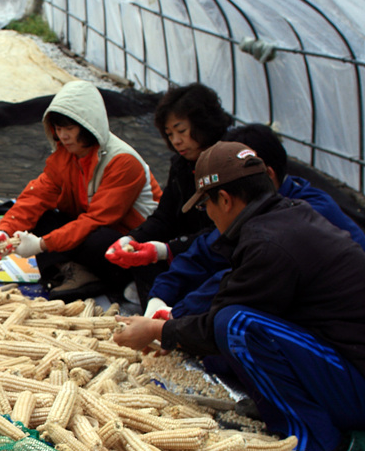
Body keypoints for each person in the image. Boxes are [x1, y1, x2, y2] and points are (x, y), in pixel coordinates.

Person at [114, 142, 365, 451]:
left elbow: (221, 320)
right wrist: (171, 322)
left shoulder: (270, 242)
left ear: (226, 200)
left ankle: (313, 439)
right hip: (342, 359)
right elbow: (227, 285)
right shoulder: (286, 216)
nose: (208, 215)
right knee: (226, 330)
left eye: (207, 205)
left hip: (356, 381)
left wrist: (157, 331)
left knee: (236, 325)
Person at [144, 124, 365, 319]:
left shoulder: (300, 217)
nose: (176, 140)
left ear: (265, 175)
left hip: (337, 329)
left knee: (229, 325)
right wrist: (160, 296)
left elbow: (242, 277)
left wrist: (175, 318)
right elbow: (209, 249)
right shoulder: (255, 213)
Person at [0, 80, 162, 301]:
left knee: (98, 239)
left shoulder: (123, 161)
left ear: (89, 126)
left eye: (69, 128)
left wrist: (41, 245)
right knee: (43, 219)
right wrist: (6, 232)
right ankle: (78, 272)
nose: (63, 136)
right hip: (91, 230)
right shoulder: (66, 156)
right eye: (58, 129)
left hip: (130, 239)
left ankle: (126, 281)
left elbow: (97, 220)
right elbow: (36, 195)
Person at [104, 83, 232, 301]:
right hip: (183, 246)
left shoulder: (228, 162)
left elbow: (222, 233)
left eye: (181, 131)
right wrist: (133, 238)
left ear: (203, 123)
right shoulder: (181, 165)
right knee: (124, 249)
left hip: (219, 255)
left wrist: (166, 249)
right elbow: (164, 216)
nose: (176, 141)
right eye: (170, 134)